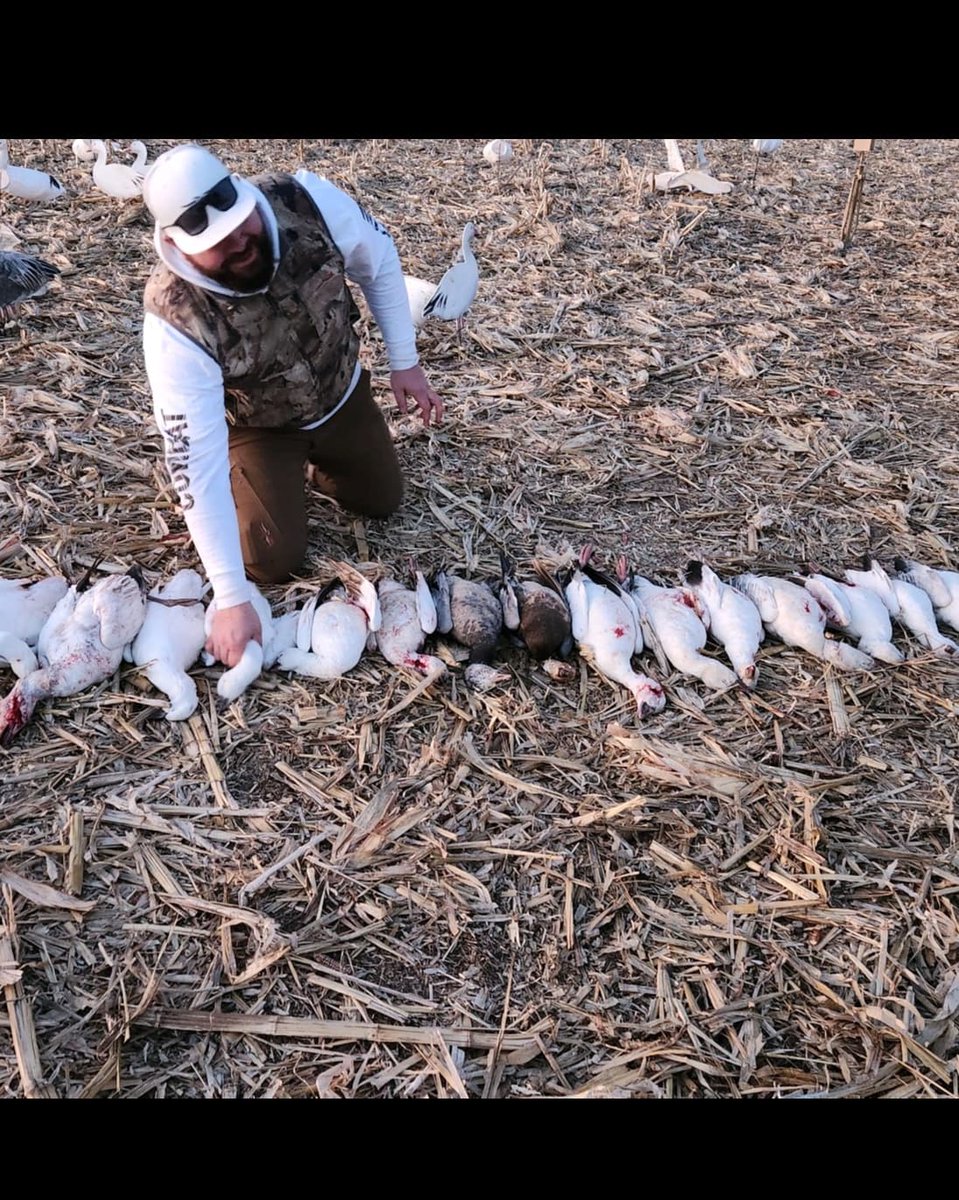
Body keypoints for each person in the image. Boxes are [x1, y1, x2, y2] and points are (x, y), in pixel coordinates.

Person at [140, 142, 443, 671]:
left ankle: (314, 468)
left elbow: (380, 261)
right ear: (175, 245)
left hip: (340, 392)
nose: (238, 242)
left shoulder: (307, 200)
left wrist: (405, 362)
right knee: (270, 560)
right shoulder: (175, 320)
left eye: (240, 223)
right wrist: (231, 597)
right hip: (261, 425)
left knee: (382, 500)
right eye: (216, 242)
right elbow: (193, 458)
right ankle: (260, 473)